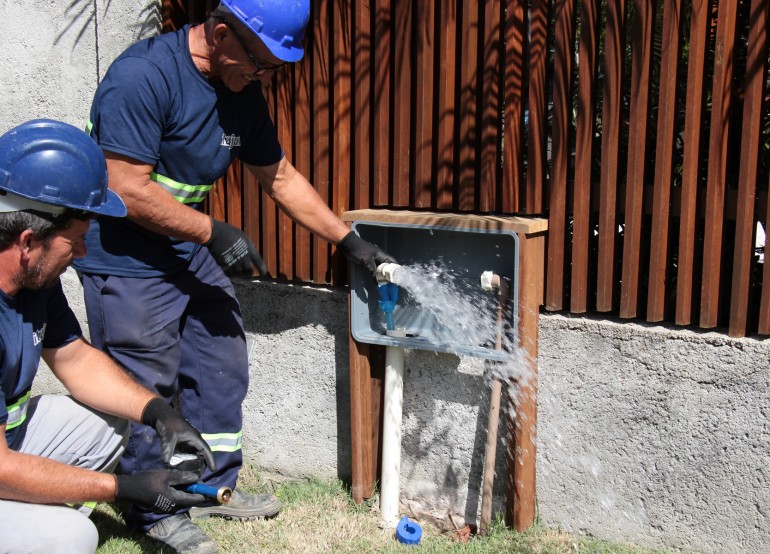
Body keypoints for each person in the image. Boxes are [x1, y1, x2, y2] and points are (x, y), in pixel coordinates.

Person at [73, 0, 395, 551]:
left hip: (183, 246)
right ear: (222, 34)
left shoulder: (240, 91)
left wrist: (348, 239)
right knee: (145, 379)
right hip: (124, 253)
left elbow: (280, 176)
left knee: (221, 357)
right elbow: (125, 187)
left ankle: (209, 489)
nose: (264, 77)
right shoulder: (142, 77)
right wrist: (212, 233)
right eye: (260, 64)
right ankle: (152, 509)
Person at [0, 119, 218, 553]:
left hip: (7, 439)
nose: (81, 254)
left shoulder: (33, 280)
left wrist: (159, 413)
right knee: (72, 537)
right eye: (76, 241)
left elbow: (76, 359)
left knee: (114, 415)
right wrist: (122, 489)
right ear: (28, 242)